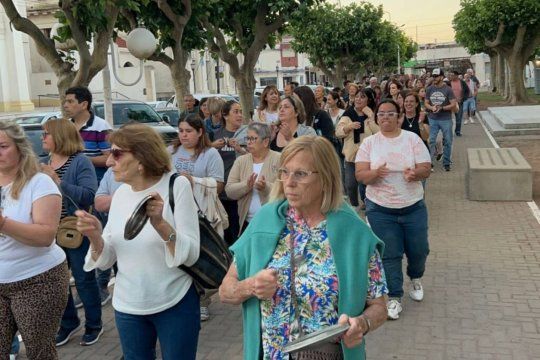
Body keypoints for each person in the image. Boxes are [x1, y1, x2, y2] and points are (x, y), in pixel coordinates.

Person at [219, 135, 388, 359]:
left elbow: (379, 305)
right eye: (284, 172)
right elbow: (225, 291)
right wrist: (249, 287)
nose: (288, 182)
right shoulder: (266, 221)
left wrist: (362, 323)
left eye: (300, 174)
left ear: (326, 177)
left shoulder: (354, 233)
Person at [77, 123, 201, 360]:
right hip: (128, 306)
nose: (109, 161)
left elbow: (191, 253)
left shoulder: (176, 185)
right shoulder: (122, 193)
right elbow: (106, 259)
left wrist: (161, 225)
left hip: (174, 301)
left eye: (117, 153)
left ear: (142, 158)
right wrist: (95, 235)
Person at [355, 99, 431, 320]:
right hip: (380, 208)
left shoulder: (412, 139)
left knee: (419, 249)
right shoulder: (370, 143)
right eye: (381, 114)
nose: (385, 118)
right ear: (376, 118)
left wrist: (415, 174)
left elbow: (426, 168)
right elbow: (360, 174)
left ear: (399, 117)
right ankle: (394, 297)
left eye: (390, 114)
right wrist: (374, 174)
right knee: (390, 253)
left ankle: (415, 277)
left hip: (412, 206)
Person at [0, 120, 68, 360]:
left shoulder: (39, 182)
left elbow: (45, 236)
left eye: (3, 146)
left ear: (20, 148)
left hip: (38, 279)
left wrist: (3, 224)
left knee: (39, 351)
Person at [39, 119, 102, 347]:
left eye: (46, 134)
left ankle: (94, 325)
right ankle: (68, 323)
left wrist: (57, 180)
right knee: (57, 282)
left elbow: (88, 196)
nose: (42, 138)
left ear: (60, 136)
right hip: (51, 231)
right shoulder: (45, 161)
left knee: (84, 280)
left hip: (75, 230)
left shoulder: (80, 162)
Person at [170, 115, 225, 322]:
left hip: (203, 214)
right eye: (181, 130)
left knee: (201, 255)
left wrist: (193, 181)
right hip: (177, 212)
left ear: (200, 132)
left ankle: (203, 299)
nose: (184, 135)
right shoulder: (172, 152)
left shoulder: (210, 154)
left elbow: (219, 185)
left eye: (189, 131)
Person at [225, 123, 280, 235]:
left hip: (272, 223)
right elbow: (229, 191)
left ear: (265, 142)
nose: (248, 142)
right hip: (246, 223)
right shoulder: (241, 161)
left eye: (253, 139)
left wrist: (266, 187)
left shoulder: (279, 159)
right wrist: (246, 186)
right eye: (247, 138)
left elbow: (285, 190)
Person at [212, 101, 248, 245]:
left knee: (239, 233)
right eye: (235, 112)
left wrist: (240, 149)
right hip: (221, 193)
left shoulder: (248, 134)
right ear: (225, 115)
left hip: (241, 192)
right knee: (224, 234)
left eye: (240, 111)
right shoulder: (216, 135)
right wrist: (212, 146)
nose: (239, 115)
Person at [336, 88, 378, 211]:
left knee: (366, 184)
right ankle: (354, 205)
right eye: (357, 96)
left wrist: (371, 116)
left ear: (368, 100)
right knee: (350, 184)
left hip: (368, 157)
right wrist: (348, 127)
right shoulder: (348, 114)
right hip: (351, 156)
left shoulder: (372, 114)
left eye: (362, 97)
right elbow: (338, 132)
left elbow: (379, 133)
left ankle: (369, 204)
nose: (358, 99)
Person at [63, 86, 112, 182]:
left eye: (70, 101)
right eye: (65, 101)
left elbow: (111, 158)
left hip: (95, 183)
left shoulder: (101, 126)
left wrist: (80, 160)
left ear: (84, 104)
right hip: (69, 184)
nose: (65, 105)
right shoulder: (65, 126)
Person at [425, 68, 457, 171]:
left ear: (442, 77)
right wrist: (431, 108)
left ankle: (446, 163)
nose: (434, 78)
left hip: (446, 119)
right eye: (433, 76)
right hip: (432, 118)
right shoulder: (429, 89)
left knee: (448, 141)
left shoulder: (448, 89)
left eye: (436, 76)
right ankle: (430, 162)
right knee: (431, 140)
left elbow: (453, 104)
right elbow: (426, 103)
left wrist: (442, 108)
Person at [448, 70, 470, 137]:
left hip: (459, 103)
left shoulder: (462, 82)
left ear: (456, 76)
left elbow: (467, 91)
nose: (451, 76)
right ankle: (448, 132)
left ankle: (457, 131)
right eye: (450, 75)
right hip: (449, 104)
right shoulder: (448, 83)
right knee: (448, 119)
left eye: (452, 75)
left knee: (459, 118)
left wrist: (463, 99)